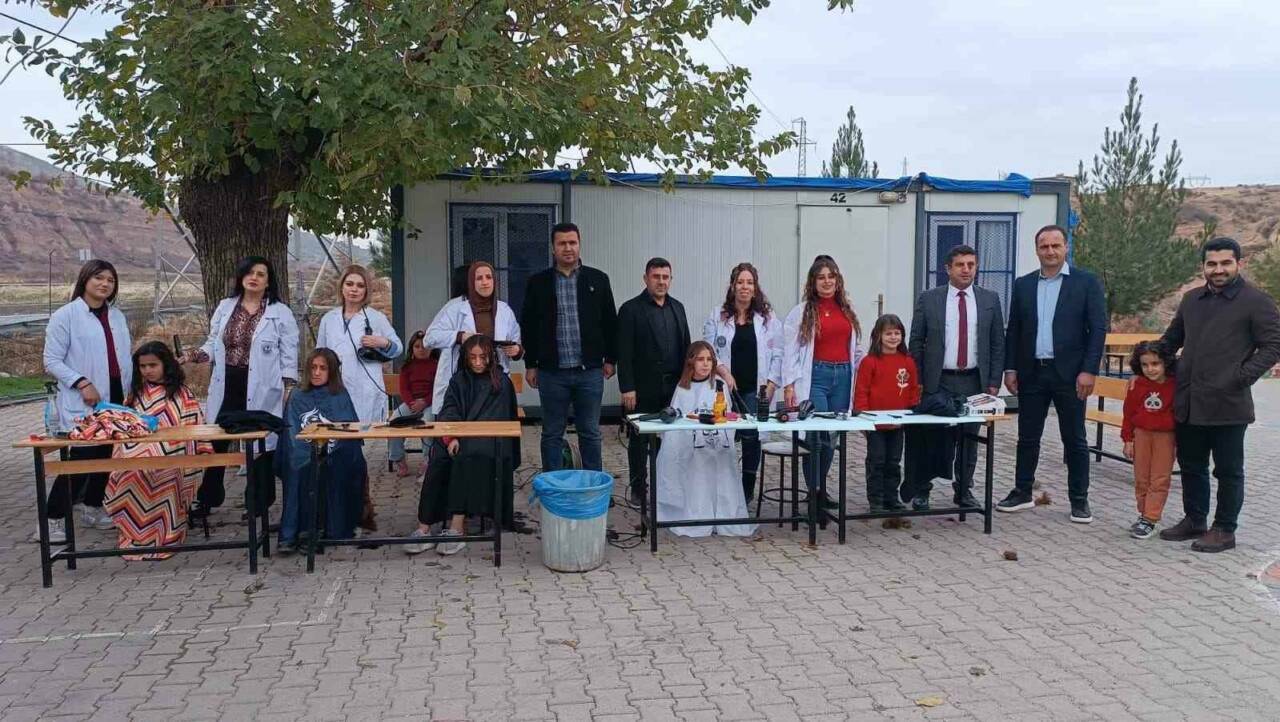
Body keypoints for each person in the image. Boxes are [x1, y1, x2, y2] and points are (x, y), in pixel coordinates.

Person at [1156, 237, 1280, 552]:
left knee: (1228, 471)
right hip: (1189, 400)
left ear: (1239, 263)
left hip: (1228, 402)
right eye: (1212, 264)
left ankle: (1225, 529)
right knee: (1191, 465)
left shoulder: (1256, 301)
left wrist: (1241, 376)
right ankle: (1195, 519)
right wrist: (1147, 365)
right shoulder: (1191, 299)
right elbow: (1172, 339)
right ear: (1204, 266)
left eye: (1226, 263)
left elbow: (1273, 345)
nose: (1218, 269)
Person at [997, 225, 1107, 523]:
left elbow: (1098, 329)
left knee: (1074, 439)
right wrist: (1010, 367)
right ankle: (1022, 491)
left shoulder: (1086, 282)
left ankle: (1079, 500)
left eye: (1055, 245)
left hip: (1071, 375)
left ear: (1066, 247)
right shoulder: (1023, 285)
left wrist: (1089, 370)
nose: (1050, 251)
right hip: (1032, 372)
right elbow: (1015, 329)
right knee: (1027, 437)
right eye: (1044, 246)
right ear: (1037, 250)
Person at [185, 256, 298, 519]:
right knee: (217, 441)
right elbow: (213, 342)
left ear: (268, 281)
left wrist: (287, 388)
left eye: (261, 274)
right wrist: (195, 355)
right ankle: (208, 497)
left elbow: (289, 354)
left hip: (263, 386)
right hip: (228, 384)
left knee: (260, 443)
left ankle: (258, 502)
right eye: (249, 272)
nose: (254, 278)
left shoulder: (280, 312)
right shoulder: (226, 306)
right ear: (241, 276)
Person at [36, 260, 133, 542]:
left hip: (115, 395)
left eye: (110, 280)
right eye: (98, 278)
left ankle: (93, 507)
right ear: (85, 280)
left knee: (105, 456)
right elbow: (51, 360)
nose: (105, 284)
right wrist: (82, 382)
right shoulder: (66, 316)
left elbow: (122, 356)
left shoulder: (117, 316)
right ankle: (52, 519)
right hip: (84, 398)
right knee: (79, 461)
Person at [908, 244, 1005, 510]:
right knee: (931, 437)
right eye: (960, 265)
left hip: (974, 381)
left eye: (971, 265)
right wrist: (919, 380)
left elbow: (997, 342)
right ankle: (922, 490)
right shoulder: (929, 299)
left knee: (969, 440)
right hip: (938, 380)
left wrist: (993, 381)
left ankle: (963, 490)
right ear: (948, 268)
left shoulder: (989, 299)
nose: (966, 270)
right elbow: (916, 341)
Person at [406, 335, 520, 556]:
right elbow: (449, 410)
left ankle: (457, 527)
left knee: (465, 456)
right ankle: (424, 527)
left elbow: (495, 418)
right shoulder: (458, 380)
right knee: (438, 459)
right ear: (465, 358)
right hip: (459, 436)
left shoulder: (501, 382)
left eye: (482, 357)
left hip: (489, 441)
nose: (477, 362)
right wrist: (452, 437)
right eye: (473, 358)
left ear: (491, 357)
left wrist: (464, 439)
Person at [519, 222, 618, 472]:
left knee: (590, 431)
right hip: (552, 372)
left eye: (572, 242)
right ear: (553, 248)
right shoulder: (538, 282)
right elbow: (528, 325)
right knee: (552, 432)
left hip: (589, 371)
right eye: (562, 243)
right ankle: (553, 486)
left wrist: (610, 359)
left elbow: (610, 322)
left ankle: (593, 485)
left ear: (579, 245)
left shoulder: (598, 279)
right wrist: (530, 364)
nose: (568, 248)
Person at [101, 342, 212, 560]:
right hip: (135, 452)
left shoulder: (182, 393)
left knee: (165, 471)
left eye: (153, 365)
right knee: (126, 473)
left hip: (175, 453)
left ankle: (165, 533)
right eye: (143, 366)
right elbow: (125, 426)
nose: (147, 370)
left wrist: (165, 447)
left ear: (166, 364)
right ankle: (135, 533)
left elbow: (193, 429)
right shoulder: (135, 394)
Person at [316, 264, 402, 532]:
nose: (354, 290)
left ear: (366, 290)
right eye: (350, 284)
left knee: (352, 453)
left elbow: (397, 347)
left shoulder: (375, 317)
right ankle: (343, 510)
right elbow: (319, 355)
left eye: (360, 285)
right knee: (337, 453)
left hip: (364, 390)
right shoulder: (329, 319)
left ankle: (359, 511)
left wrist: (381, 343)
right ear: (342, 286)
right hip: (334, 393)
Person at [782, 256, 864, 509]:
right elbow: (790, 351)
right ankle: (813, 491)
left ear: (838, 280)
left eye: (831, 276)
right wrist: (789, 385)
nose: (827, 281)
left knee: (832, 436)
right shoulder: (802, 311)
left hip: (843, 377)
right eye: (821, 277)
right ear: (813, 282)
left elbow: (855, 348)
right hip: (816, 377)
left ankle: (821, 489)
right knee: (816, 434)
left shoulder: (846, 310)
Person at [654, 341, 756, 537]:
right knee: (696, 473)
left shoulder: (719, 385)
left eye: (709, 359)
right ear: (691, 362)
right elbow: (677, 423)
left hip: (716, 444)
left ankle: (723, 516)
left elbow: (726, 417)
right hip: (691, 446)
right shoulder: (682, 388)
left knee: (719, 468)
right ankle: (697, 516)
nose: (706, 364)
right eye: (700, 359)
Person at [703, 262, 783, 503]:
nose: (744, 287)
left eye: (749, 282)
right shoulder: (717, 316)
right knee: (721, 437)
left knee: (751, 439)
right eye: (740, 282)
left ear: (755, 287)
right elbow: (709, 351)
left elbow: (778, 353)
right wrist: (725, 374)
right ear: (732, 286)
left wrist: (771, 385)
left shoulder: (767, 318)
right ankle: (722, 488)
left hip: (755, 390)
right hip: (725, 389)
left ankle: (747, 489)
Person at [617, 258, 691, 506]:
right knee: (639, 441)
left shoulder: (678, 308)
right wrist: (627, 387)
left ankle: (666, 486)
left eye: (665, 277)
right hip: (642, 388)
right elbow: (623, 353)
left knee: (670, 439)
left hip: (673, 388)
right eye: (656, 276)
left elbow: (686, 347)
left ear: (671, 279)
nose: (661, 281)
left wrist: (687, 385)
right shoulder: (630, 310)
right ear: (645, 279)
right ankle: (638, 488)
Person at [278, 348, 367, 554]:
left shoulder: (340, 395)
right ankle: (297, 532)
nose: (316, 372)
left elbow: (349, 432)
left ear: (332, 371)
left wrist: (330, 451)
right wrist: (306, 454)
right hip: (302, 451)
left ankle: (329, 528)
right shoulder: (297, 395)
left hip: (335, 451)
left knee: (346, 465)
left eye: (323, 368)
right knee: (300, 468)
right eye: (313, 367)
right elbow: (291, 432)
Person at [424, 260, 522, 419]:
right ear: (471, 282)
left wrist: (517, 350)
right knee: (458, 427)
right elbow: (429, 338)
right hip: (462, 385)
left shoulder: (505, 310)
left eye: (489, 277)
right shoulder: (455, 309)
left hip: (494, 386)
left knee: (495, 430)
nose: (485, 282)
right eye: (479, 278)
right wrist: (459, 336)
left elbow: (516, 341)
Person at [854, 315, 920, 513]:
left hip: (898, 424)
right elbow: (861, 391)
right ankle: (876, 500)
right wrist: (863, 419)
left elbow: (913, 390)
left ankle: (892, 498)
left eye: (897, 333)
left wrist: (911, 413)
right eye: (888, 333)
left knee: (893, 462)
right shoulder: (869, 362)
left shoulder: (907, 362)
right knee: (877, 461)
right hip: (875, 424)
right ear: (878, 336)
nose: (893, 337)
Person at [1121, 341, 1177, 540]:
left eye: (1155, 364)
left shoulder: (1175, 384)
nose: (1150, 369)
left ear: (1165, 363)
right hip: (1141, 435)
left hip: (1165, 437)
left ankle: (1151, 518)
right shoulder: (1137, 385)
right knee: (1141, 478)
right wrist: (1128, 439)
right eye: (1145, 365)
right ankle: (1143, 514)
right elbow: (1128, 413)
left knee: (1159, 478)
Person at [388, 330, 440, 477]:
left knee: (428, 423)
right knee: (394, 422)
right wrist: (412, 403)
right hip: (411, 403)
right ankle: (399, 459)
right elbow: (404, 389)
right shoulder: (407, 367)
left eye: (425, 346)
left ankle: (427, 459)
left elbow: (438, 389)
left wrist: (425, 402)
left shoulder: (437, 366)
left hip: (429, 403)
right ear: (411, 349)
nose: (421, 349)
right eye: (417, 346)